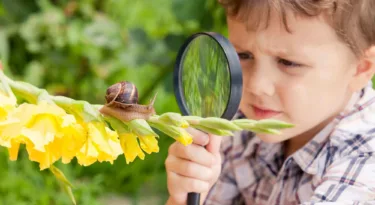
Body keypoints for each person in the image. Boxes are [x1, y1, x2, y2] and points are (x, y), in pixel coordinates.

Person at [165, 0, 375, 204]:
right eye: (243, 55)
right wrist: (184, 198)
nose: (257, 86)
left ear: (360, 69)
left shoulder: (365, 168)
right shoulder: (241, 128)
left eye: (288, 63)